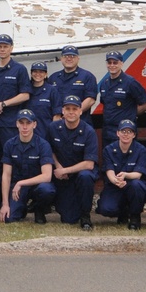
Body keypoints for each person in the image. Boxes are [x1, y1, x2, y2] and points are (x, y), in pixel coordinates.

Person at [0, 34, 31, 190]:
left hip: (9, 122)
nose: (2, 49)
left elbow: (25, 94)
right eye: (0, 46)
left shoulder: (19, 69)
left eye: (5, 46)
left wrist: (3, 104)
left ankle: (13, 191)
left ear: (11, 48)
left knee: (11, 156)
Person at [47, 95, 99, 230]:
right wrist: (58, 167)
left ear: (80, 111)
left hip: (79, 176)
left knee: (86, 176)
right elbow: (49, 151)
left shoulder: (88, 131)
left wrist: (65, 170)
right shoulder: (53, 127)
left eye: (74, 109)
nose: (71, 112)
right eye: (68, 108)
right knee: (68, 219)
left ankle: (85, 216)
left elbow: (89, 164)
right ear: (62, 111)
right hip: (61, 177)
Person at [0, 109, 55, 224]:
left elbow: (47, 176)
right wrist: (5, 204)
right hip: (18, 189)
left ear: (34, 124)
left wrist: (21, 183)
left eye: (28, 123)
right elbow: (6, 175)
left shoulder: (43, 145)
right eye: (22, 123)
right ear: (17, 124)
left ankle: (39, 209)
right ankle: (21, 208)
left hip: (37, 186)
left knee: (47, 190)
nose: (25, 127)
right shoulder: (9, 144)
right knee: (8, 219)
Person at [96, 119, 146, 230]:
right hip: (116, 186)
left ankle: (135, 217)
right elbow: (109, 171)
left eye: (129, 132)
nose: (126, 134)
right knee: (106, 209)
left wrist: (125, 175)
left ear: (134, 134)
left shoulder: (141, 150)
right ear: (117, 133)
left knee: (136, 185)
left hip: (135, 186)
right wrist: (115, 180)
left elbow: (138, 174)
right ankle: (124, 211)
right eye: (123, 131)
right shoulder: (109, 150)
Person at [99, 51, 146, 146]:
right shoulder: (104, 84)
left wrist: (132, 115)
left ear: (121, 63)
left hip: (126, 132)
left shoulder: (130, 82)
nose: (112, 65)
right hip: (108, 132)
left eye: (115, 62)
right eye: (109, 63)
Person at [48, 45, 97, 124]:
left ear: (78, 59)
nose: (69, 58)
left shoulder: (87, 76)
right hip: (59, 125)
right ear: (61, 58)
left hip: (81, 124)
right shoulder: (53, 78)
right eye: (66, 56)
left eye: (72, 56)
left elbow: (90, 100)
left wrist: (71, 115)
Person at [27, 62, 60, 140]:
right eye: (35, 71)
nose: (38, 74)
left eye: (41, 71)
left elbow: (57, 115)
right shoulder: (26, 89)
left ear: (46, 74)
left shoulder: (52, 90)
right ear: (31, 73)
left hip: (46, 133)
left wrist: (53, 133)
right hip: (27, 133)